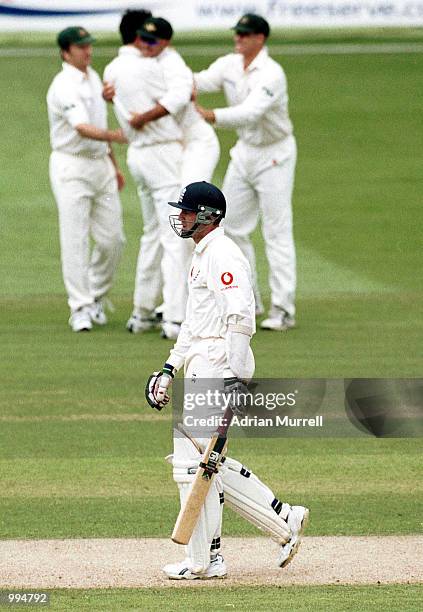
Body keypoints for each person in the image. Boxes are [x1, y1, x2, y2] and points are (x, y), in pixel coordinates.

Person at [145, 181, 309, 579]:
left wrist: (235, 376)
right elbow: (195, 322)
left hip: (219, 364)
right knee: (205, 463)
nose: (180, 216)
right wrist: (170, 366)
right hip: (203, 361)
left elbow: (241, 316)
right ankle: (284, 519)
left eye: (187, 211)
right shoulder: (202, 255)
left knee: (191, 466)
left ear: (207, 216)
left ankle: (202, 561)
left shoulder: (223, 254)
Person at [194, 14, 297, 331]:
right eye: (237, 33)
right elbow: (195, 81)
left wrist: (209, 114)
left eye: (245, 34)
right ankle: (248, 301)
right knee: (232, 228)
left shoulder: (272, 74)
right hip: (244, 153)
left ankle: (283, 308)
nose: (238, 38)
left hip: (275, 154)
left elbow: (251, 112)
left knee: (276, 231)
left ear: (260, 38)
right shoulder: (229, 64)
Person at [128, 16, 221, 336]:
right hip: (174, 150)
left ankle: (176, 315)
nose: (144, 45)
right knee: (161, 230)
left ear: (165, 42)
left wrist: (143, 117)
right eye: (141, 39)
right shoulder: (148, 62)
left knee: (183, 224)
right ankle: (144, 310)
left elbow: (177, 98)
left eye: (151, 41)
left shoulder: (175, 65)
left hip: (197, 146)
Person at [103, 11, 190, 340]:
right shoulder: (153, 66)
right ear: (140, 36)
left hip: (138, 155)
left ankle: (141, 312)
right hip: (162, 151)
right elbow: (182, 94)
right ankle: (174, 317)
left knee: (153, 233)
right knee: (174, 235)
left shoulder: (111, 69)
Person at [47, 26, 126, 332]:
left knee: (113, 239)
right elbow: (81, 127)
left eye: (89, 45)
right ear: (66, 52)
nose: (88, 51)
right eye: (81, 47)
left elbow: (98, 122)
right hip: (72, 167)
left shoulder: (93, 77)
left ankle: (95, 296)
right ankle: (79, 307)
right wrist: (115, 137)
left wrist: (113, 162)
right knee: (75, 238)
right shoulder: (63, 85)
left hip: (100, 165)